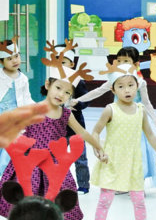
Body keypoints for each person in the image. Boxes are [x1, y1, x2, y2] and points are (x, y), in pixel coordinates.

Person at [0, 41, 107, 220]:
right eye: (58, 88)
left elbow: (82, 133)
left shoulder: (66, 114)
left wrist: (99, 146)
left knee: (58, 202)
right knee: (28, 203)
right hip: (30, 164)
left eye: (67, 93)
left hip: (54, 166)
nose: (61, 95)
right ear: (48, 85)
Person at [72, 46, 156, 189]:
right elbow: (98, 91)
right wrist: (78, 100)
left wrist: (155, 119)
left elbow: (146, 103)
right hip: (118, 121)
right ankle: (121, 182)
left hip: (135, 121)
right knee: (119, 153)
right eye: (119, 60)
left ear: (135, 64)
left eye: (126, 61)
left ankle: (137, 183)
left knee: (139, 153)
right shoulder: (114, 80)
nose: (122, 64)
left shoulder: (140, 82)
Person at [91, 62, 156, 220]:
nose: (127, 90)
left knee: (139, 201)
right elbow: (96, 131)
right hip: (111, 161)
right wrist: (97, 149)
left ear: (137, 86)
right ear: (113, 90)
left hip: (134, 162)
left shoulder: (140, 110)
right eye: (121, 86)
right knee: (105, 200)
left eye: (131, 85)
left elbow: (150, 135)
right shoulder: (110, 109)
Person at [52, 41, 91, 195]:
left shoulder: (78, 81)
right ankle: (58, 183)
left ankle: (83, 185)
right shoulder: (52, 80)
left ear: (71, 64)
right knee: (57, 156)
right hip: (57, 126)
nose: (60, 65)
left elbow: (86, 99)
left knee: (80, 157)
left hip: (76, 126)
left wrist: (78, 104)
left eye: (63, 62)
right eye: (57, 62)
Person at [0, 37, 35, 174]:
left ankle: (4, 176)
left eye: (16, 56)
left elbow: (27, 98)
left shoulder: (23, 78)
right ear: (1, 61)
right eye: (9, 58)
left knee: (9, 150)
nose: (15, 60)